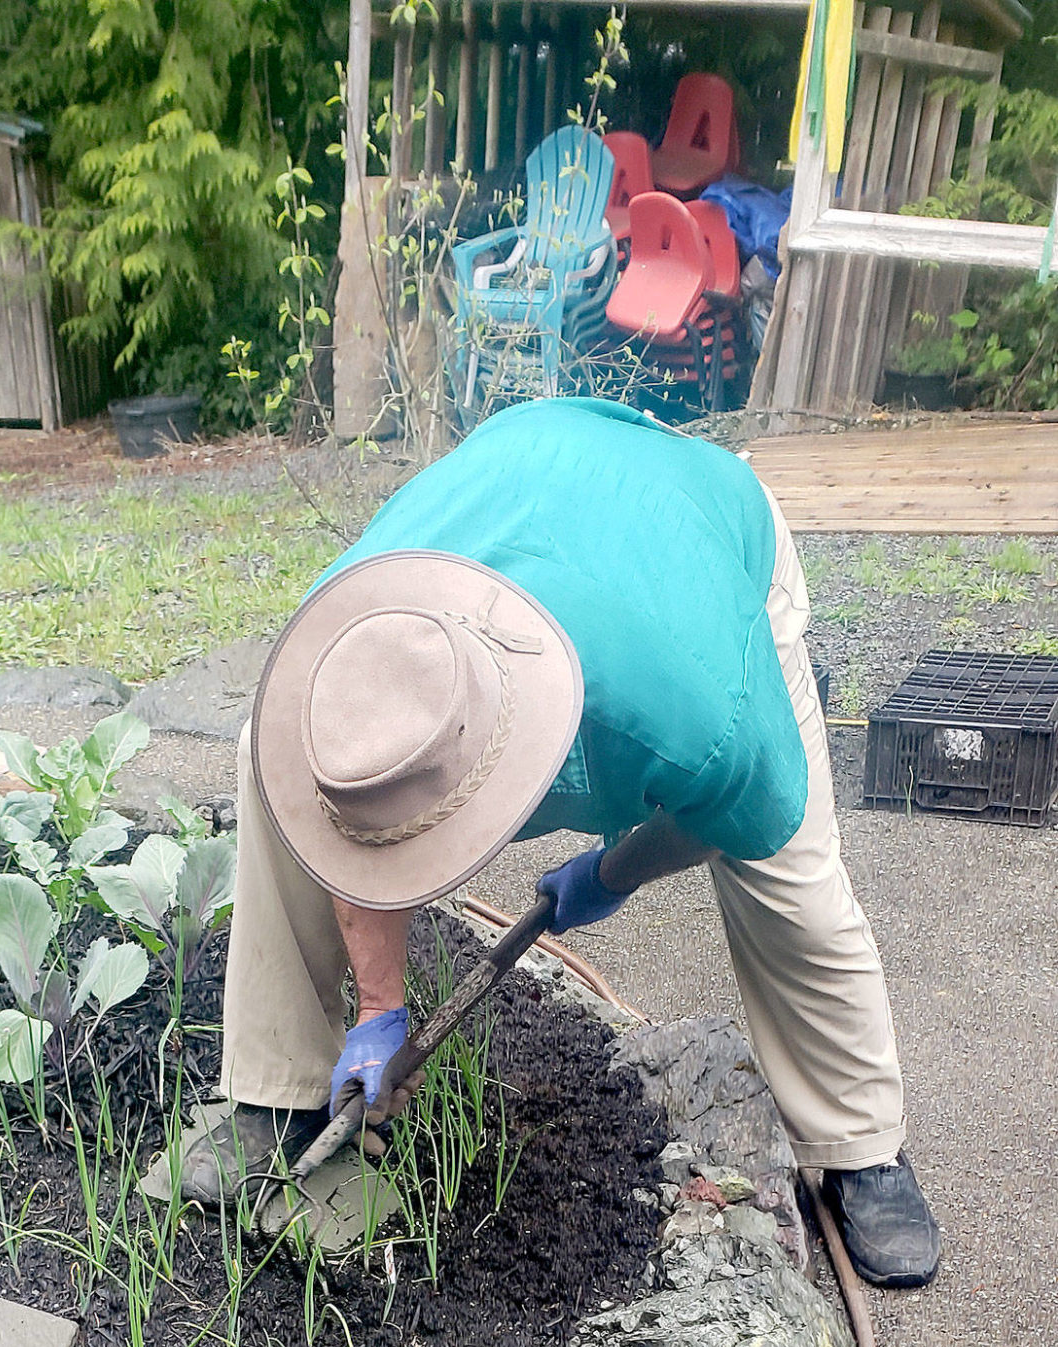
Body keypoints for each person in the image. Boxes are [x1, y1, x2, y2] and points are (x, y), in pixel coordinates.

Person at [185, 397, 939, 1289]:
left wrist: (611, 871)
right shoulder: (345, 651)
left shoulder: (691, 713)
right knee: (263, 766)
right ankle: (276, 1088)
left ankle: (861, 1145)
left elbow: (737, 810)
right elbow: (345, 805)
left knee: (793, 886)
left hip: (697, 538)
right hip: (522, 475)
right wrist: (378, 1008)